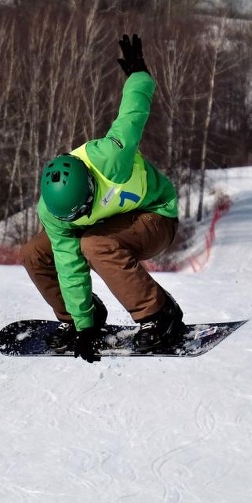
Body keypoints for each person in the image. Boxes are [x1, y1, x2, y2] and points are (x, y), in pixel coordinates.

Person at [20, 34, 184, 363]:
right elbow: (68, 263)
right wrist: (84, 327)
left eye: (80, 211)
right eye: (70, 217)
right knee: (34, 254)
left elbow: (133, 114)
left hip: (155, 216)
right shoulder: (54, 211)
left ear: (90, 188)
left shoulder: (110, 157)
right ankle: (85, 316)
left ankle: (160, 313)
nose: (75, 219)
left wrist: (139, 74)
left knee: (94, 243)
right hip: (109, 224)